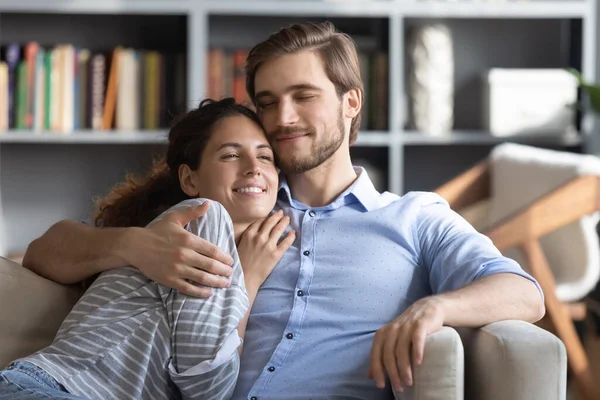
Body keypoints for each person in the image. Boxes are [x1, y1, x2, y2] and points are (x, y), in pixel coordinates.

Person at [23, 22, 545, 399]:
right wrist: (134, 245)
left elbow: (525, 293)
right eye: (267, 101)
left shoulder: (414, 218)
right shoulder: (231, 202)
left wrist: (433, 308)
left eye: (303, 96)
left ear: (351, 102)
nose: (283, 117)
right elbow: (45, 253)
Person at [1, 98, 295, 400]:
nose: (253, 168)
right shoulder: (202, 217)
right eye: (231, 155)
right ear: (190, 179)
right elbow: (208, 387)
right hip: (48, 389)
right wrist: (250, 278)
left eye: (265, 156)